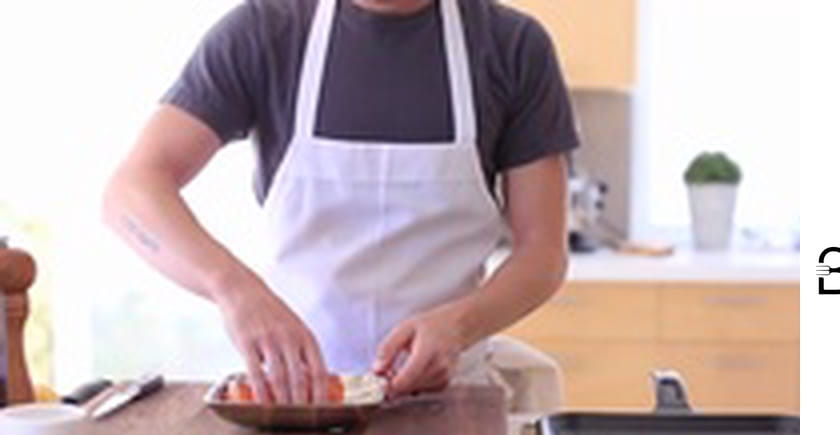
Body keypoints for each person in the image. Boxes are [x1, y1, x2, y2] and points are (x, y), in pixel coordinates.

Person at [103, 0, 578, 405]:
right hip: (294, 401)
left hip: (451, 402)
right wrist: (234, 290)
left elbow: (543, 253)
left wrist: (459, 326)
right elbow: (131, 190)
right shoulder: (268, 32)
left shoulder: (513, 47)